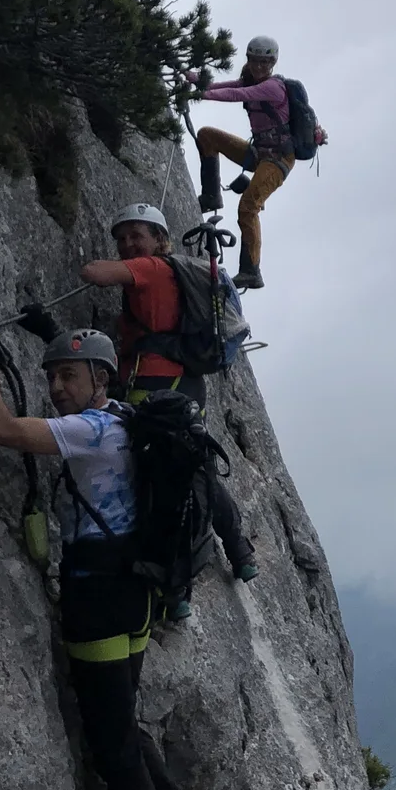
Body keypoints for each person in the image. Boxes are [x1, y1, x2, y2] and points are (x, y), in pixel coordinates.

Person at [0, 323, 209, 790]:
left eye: (68, 376)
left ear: (100, 378)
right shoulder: (126, 419)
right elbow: (90, 384)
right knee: (125, 724)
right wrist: (59, 339)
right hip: (136, 595)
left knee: (113, 747)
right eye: (51, 376)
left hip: (97, 598)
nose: (55, 388)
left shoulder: (90, 430)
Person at [81, 202, 257, 613]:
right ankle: (239, 551)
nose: (128, 244)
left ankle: (176, 589)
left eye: (136, 236)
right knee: (195, 469)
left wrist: (117, 264)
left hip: (155, 390)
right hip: (184, 385)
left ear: (159, 239)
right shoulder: (172, 272)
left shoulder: (152, 268)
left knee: (159, 484)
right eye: (121, 238)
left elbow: (93, 273)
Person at [188, 34, 325, 289]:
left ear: (273, 63)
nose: (259, 66)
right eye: (254, 60)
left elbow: (235, 94)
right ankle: (211, 197)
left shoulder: (273, 88)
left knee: (248, 207)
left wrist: (201, 94)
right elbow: (223, 86)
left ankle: (251, 271)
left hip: (278, 160)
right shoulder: (250, 80)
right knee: (207, 136)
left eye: (265, 62)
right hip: (258, 152)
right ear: (248, 59)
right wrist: (194, 79)